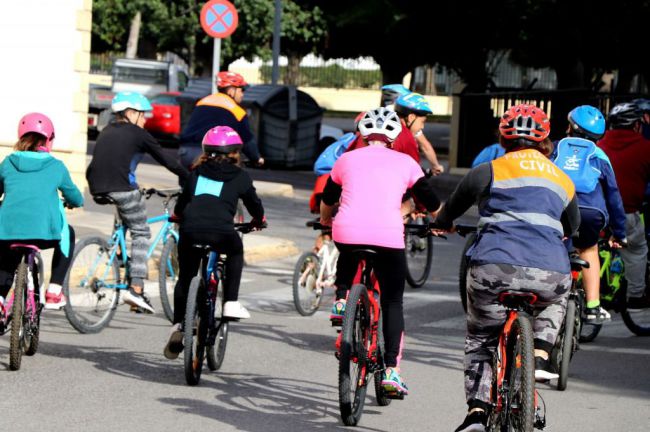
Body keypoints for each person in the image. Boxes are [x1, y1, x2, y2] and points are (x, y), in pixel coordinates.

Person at [432, 104, 580, 432]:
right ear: (546, 142)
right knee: (557, 299)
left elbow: (449, 211)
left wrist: (441, 223)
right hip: (549, 269)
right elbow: (575, 226)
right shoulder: (562, 179)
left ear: (502, 136)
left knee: (482, 338)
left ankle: (476, 414)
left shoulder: (487, 170)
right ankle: (539, 355)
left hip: (492, 267)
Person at [320, 107, 442, 396]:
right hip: (387, 237)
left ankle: (341, 299)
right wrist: (443, 224)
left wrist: (326, 220)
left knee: (347, 251)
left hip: (348, 233)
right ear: (395, 135)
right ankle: (390, 371)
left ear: (362, 133)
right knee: (392, 302)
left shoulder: (346, 160)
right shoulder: (406, 163)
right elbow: (432, 203)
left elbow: (328, 199)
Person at [164, 126, 265, 359]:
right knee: (236, 252)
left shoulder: (196, 173)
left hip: (190, 231)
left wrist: (178, 215)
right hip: (221, 233)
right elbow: (254, 203)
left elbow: (183, 202)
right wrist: (258, 220)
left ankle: (178, 324)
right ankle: (230, 302)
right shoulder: (239, 176)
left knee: (186, 277)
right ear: (235, 152)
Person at [86, 91, 189, 313]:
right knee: (142, 233)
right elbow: (167, 160)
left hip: (96, 186)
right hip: (121, 188)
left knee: (125, 215)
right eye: (143, 115)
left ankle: (120, 255)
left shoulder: (106, 131)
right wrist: (191, 179)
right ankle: (136, 288)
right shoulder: (138, 134)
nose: (145, 120)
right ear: (130, 113)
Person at [0, 113, 83, 315]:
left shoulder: (8, 163)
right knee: (68, 233)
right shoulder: (56, 166)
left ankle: (0, 297)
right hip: (43, 234)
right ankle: (54, 291)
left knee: (7, 254)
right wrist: (71, 202)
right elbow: (77, 198)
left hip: (7, 230)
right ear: (49, 139)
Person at [553, 105, 627, 323]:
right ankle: (593, 307)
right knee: (588, 248)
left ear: (571, 127)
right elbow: (613, 196)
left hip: (558, 207)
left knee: (554, 246)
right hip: (591, 212)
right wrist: (619, 232)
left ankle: (547, 297)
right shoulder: (600, 155)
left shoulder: (556, 148)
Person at [598, 102, 650, 311]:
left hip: (596, 212)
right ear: (636, 125)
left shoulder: (599, 145)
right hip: (626, 211)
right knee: (637, 250)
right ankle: (635, 296)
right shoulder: (645, 148)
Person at [179, 71, 264, 169]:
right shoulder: (237, 111)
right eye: (242, 90)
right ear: (231, 90)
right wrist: (256, 158)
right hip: (208, 156)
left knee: (188, 183)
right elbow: (247, 141)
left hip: (186, 152)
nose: (242, 94)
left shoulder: (202, 102)